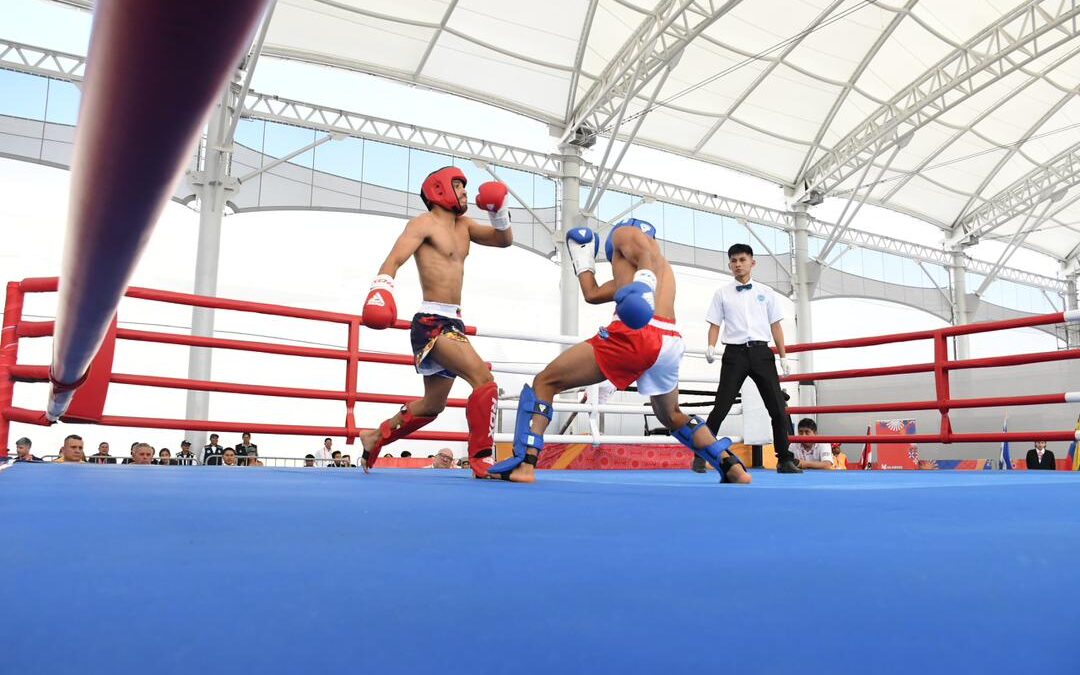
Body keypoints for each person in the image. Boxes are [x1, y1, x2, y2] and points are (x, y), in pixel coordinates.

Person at [488, 218, 750, 485]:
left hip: (636, 336)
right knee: (671, 415)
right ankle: (729, 464)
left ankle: (525, 463)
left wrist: (643, 288)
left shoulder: (629, 235)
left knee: (546, 381)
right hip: (668, 342)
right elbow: (592, 293)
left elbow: (644, 254)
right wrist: (583, 258)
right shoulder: (657, 271)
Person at [358, 167, 512, 479]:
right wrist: (380, 289)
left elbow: (503, 240)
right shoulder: (423, 224)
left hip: (453, 321)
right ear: (440, 189)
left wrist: (500, 211)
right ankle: (481, 459)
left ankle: (375, 437)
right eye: (459, 186)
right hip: (432, 322)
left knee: (432, 405)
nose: (466, 192)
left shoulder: (465, 226)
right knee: (484, 379)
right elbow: (394, 259)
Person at [703, 243, 800, 474]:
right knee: (721, 406)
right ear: (729, 265)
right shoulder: (722, 293)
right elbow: (714, 324)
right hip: (734, 353)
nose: (738, 264)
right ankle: (701, 453)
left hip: (761, 353)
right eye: (734, 261)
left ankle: (784, 459)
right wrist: (710, 345)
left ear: (752, 262)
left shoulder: (766, 293)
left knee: (777, 407)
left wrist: (784, 356)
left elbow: (776, 326)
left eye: (742, 260)